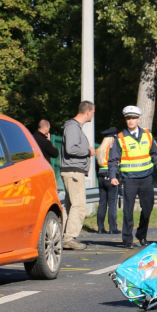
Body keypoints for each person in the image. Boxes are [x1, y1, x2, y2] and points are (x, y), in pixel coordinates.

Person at [108, 106, 157, 249]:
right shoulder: (120, 138)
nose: (131, 121)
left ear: (138, 119)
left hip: (146, 177)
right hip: (129, 179)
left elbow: (156, 153)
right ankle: (127, 239)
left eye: (133, 118)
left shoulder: (147, 134)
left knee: (148, 208)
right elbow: (113, 159)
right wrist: (113, 176)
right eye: (128, 118)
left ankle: (142, 235)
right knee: (128, 210)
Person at [60, 101, 96, 250]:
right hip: (73, 171)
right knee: (79, 206)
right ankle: (69, 238)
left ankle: (63, 236)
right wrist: (88, 152)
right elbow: (71, 148)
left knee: (70, 206)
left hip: (72, 170)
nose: (93, 115)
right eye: (93, 112)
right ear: (88, 112)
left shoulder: (73, 127)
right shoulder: (73, 127)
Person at [96, 128, 121, 234]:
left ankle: (100, 228)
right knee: (112, 203)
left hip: (101, 177)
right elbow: (116, 164)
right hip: (111, 177)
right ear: (112, 139)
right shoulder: (112, 150)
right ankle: (112, 228)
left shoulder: (99, 150)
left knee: (102, 203)